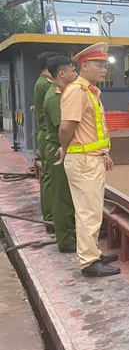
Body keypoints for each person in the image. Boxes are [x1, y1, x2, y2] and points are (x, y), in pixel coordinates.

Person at [56, 42, 120, 278]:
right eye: (99, 65)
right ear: (84, 66)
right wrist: (67, 150)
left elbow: (93, 129)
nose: (104, 69)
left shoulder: (91, 92)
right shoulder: (77, 91)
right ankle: (89, 263)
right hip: (83, 161)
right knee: (87, 212)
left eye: (105, 65)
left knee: (92, 209)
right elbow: (66, 128)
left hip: (92, 158)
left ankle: (92, 252)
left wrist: (105, 154)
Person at [42, 56, 78, 253]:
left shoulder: (61, 93)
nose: (76, 74)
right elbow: (61, 128)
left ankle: (69, 234)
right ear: (62, 74)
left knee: (66, 194)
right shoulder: (56, 97)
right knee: (62, 196)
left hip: (61, 148)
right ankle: (65, 240)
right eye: (73, 71)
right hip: (58, 149)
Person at [34, 51, 59, 233]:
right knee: (50, 177)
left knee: (48, 176)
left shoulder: (43, 83)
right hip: (48, 134)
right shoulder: (46, 85)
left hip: (44, 132)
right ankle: (50, 218)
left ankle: (51, 216)